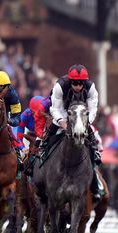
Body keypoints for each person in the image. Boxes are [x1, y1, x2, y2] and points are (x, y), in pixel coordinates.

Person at [47, 64, 103, 199]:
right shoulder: (60, 86)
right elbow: (55, 109)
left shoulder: (91, 88)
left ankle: (95, 184)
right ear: (70, 81)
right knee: (48, 136)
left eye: (80, 83)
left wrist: (84, 123)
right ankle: (41, 156)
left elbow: (93, 109)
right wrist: (63, 122)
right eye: (75, 83)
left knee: (91, 145)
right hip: (63, 115)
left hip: (81, 117)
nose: (78, 86)